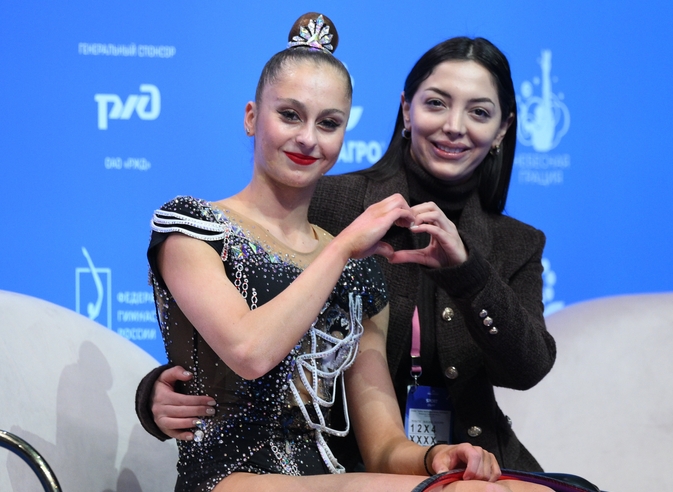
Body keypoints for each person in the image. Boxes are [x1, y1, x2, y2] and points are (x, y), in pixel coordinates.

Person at [137, 31, 556, 476]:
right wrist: (156, 393)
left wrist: (469, 273)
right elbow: (243, 330)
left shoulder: (518, 242)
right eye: (437, 103)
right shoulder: (332, 206)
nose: (454, 125)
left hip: (443, 461)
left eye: (478, 111)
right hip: (329, 468)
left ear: (503, 128)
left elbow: (527, 368)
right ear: (406, 110)